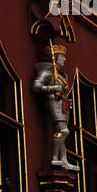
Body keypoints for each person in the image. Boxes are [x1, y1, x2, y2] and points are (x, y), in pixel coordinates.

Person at [31, 43, 79, 171]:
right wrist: (52, 88)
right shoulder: (47, 73)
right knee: (63, 131)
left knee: (61, 131)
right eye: (62, 57)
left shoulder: (61, 75)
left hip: (62, 103)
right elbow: (36, 86)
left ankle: (63, 159)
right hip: (54, 101)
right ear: (55, 57)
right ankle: (54, 158)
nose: (64, 59)